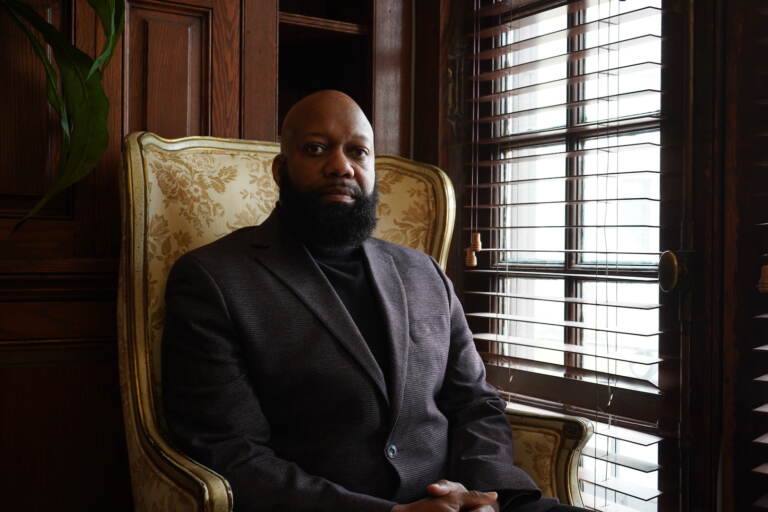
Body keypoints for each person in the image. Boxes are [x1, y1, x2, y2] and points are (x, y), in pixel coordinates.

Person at [162, 90, 588, 512]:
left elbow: (475, 402)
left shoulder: (422, 271)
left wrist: (486, 498)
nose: (340, 166)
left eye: (358, 152)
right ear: (280, 169)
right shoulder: (214, 278)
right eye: (316, 149)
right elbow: (230, 451)